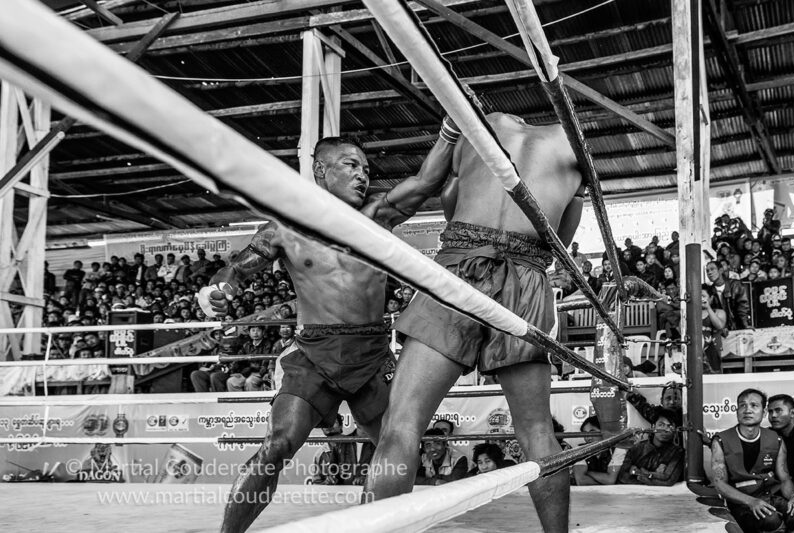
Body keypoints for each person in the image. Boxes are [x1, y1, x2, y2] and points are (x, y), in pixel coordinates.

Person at [198, 130, 456, 532]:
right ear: (321, 170)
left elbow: (425, 181)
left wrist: (451, 130)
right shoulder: (284, 227)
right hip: (314, 353)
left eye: (366, 169)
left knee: (397, 447)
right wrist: (215, 289)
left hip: (371, 354)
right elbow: (238, 269)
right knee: (277, 445)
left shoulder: (376, 217)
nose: (362, 176)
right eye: (350, 165)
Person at [366, 112, 584, 532]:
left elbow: (440, 193)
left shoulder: (474, 123)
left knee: (402, 424)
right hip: (527, 276)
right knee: (538, 431)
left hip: (460, 263)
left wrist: (453, 140)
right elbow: (559, 239)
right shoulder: (571, 141)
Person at [712, 389, 794, 533]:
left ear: (763, 413)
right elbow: (719, 483)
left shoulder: (776, 439)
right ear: (736, 411)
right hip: (742, 502)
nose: (747, 410)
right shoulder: (720, 440)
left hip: (771, 498)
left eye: (754, 405)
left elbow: (784, 479)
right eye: (742, 405)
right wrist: (750, 501)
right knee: (770, 519)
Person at [618, 407, 684, 486]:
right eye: (661, 425)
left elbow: (668, 480)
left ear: (675, 430)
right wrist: (654, 476)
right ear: (653, 427)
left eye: (670, 426)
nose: (665, 430)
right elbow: (622, 476)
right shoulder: (637, 449)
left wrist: (638, 473)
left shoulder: (677, 452)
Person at [311, 415, 374, 486]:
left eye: (333, 422)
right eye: (325, 424)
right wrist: (329, 482)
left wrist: (366, 479)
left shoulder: (372, 445)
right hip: (339, 494)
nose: (329, 426)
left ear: (341, 426)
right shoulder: (320, 454)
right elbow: (318, 482)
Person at [572, 416, 628, 486]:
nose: (588, 438)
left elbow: (610, 480)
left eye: (593, 432)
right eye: (585, 434)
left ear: (603, 432)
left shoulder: (618, 449)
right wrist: (604, 481)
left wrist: (588, 472)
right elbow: (581, 480)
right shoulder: (580, 450)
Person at [705, 260, 751, 331]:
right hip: (720, 331)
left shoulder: (736, 285)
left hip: (736, 328)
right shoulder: (710, 291)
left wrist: (745, 325)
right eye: (707, 271)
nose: (709, 273)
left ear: (720, 270)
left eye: (712, 269)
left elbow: (743, 307)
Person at [767, 394, 794, 490]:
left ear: (792, 413)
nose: (773, 415)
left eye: (778, 411)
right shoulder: (767, 436)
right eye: (770, 411)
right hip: (782, 494)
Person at [701, 284, 726, 374]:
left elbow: (719, 325)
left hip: (713, 353)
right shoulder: (692, 313)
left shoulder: (719, 312)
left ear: (711, 298)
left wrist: (708, 308)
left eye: (703, 296)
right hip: (696, 355)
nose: (701, 299)